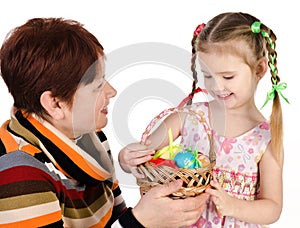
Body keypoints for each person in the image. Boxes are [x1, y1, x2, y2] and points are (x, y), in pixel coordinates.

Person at [0, 18, 209, 227]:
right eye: (97, 85)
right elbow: (128, 223)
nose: (112, 91)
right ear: (55, 103)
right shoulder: (18, 173)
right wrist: (141, 221)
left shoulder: (92, 138)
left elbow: (115, 221)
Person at [119, 12, 287, 227]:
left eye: (228, 77)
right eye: (208, 76)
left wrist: (234, 206)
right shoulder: (190, 117)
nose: (217, 87)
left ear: (260, 69)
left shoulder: (265, 137)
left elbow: (272, 208)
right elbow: (145, 152)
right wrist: (126, 158)